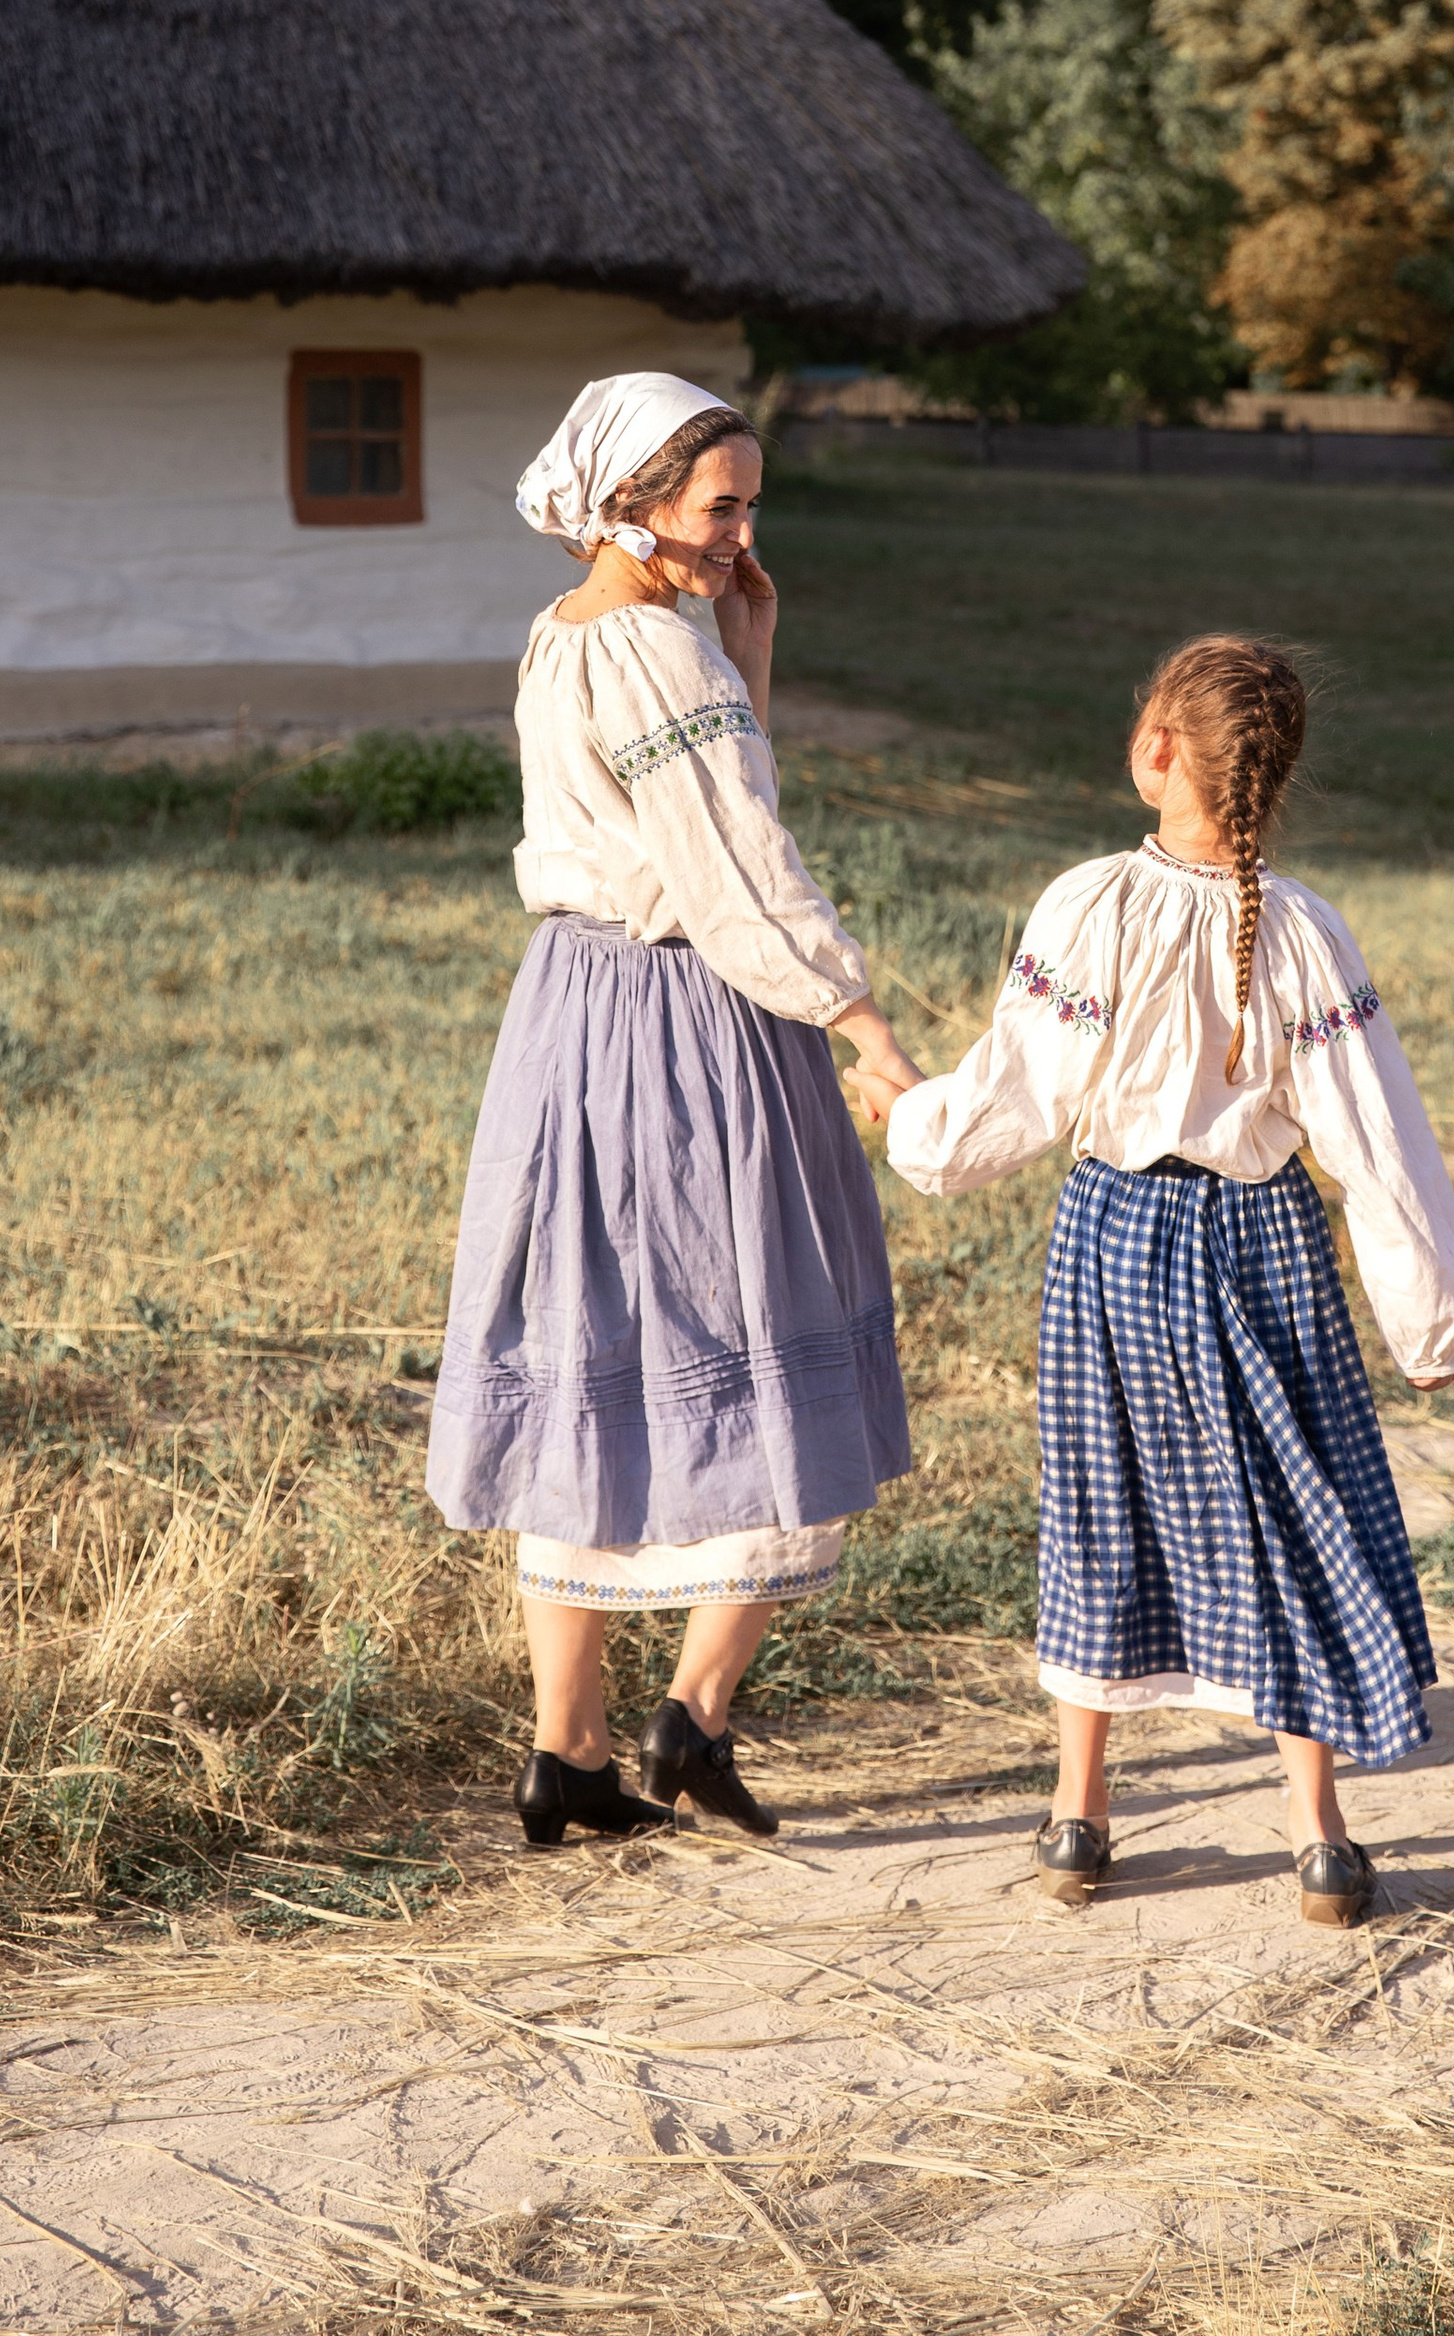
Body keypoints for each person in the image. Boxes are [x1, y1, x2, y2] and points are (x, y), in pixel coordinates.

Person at [846, 633, 1454, 1926]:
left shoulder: (1090, 905)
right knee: (1294, 1510)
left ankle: (1078, 1821)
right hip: (1268, 1246)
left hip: (1117, 1243)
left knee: (1102, 1507)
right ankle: (1318, 1837)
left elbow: (1015, 1098)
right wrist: (1432, 1317)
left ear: (1156, 752)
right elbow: (1377, 1140)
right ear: (1274, 776)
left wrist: (910, 1116)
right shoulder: (1308, 932)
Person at [426, 372, 917, 1848]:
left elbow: (687, 818)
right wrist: (865, 1027)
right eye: (721, 507)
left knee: (592, 1344)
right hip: (694, 1020)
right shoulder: (659, 655)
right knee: (767, 1316)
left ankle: (568, 1749)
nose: (742, 532)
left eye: (750, 505)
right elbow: (740, 874)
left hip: (571, 1018)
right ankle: (694, 1714)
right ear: (630, 503)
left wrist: (744, 655)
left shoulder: (566, 632)